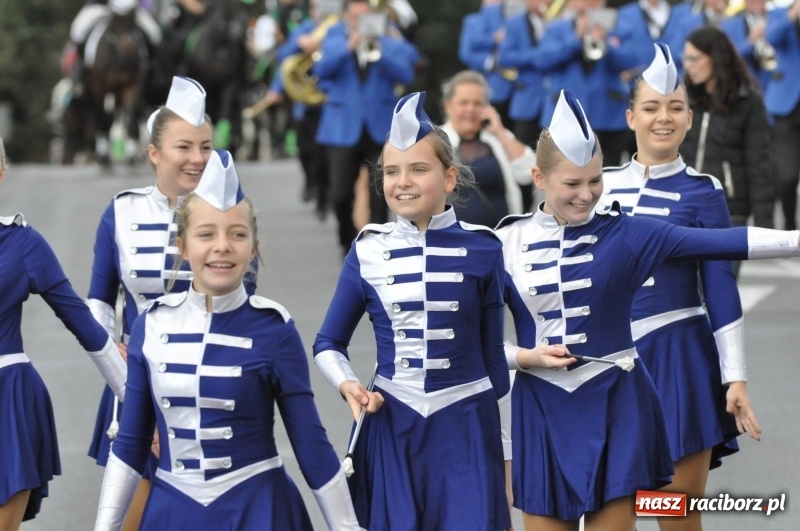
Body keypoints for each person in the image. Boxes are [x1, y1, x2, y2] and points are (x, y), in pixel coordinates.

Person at [495, 87, 800, 530]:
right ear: (539, 178)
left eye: (595, 181)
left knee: (672, 512)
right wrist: (523, 357)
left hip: (617, 401)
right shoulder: (504, 241)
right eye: (572, 184)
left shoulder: (629, 233)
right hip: (541, 410)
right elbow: (472, 339)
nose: (587, 195)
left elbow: (728, 242)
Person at [94, 149, 359, 530]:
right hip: (173, 512)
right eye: (206, 234)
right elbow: (131, 442)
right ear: (183, 247)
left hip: (258, 510)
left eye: (237, 234)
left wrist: (347, 527)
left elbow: (311, 444)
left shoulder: (275, 328)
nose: (222, 246)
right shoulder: (150, 326)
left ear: (253, 247)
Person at [313, 92, 514, 530]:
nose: (403, 182)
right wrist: (348, 385)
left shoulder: (485, 247)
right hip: (393, 420)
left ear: (449, 177)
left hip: (467, 423)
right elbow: (328, 343)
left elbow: (494, 363)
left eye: (419, 169)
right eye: (391, 171)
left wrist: (503, 446)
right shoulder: (366, 250)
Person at [603, 42, 763, 530]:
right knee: (612, 508)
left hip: (678, 358)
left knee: (671, 503)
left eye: (675, 108)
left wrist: (734, 376)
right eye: (651, 107)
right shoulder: (599, 187)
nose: (663, 118)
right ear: (631, 116)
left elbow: (720, 288)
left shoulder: (705, 191)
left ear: (690, 119)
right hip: (607, 361)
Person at [85, 76, 254, 530]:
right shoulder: (122, 211)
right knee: (133, 519)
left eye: (205, 146)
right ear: (154, 153)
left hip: (210, 382)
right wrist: (119, 364)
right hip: (133, 380)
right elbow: (99, 302)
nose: (197, 158)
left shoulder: (230, 210)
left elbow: (243, 308)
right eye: (184, 146)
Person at [0, 137, 126, 528]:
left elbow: (85, 326)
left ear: (1, 172)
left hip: (7, 404)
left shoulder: (22, 243)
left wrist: (141, 407)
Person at [314, 0, 419, 257]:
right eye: (354, 19)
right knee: (339, 195)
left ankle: (378, 247)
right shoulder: (333, 36)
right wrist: (349, 46)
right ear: (347, 19)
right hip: (342, 127)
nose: (359, 24)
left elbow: (406, 74)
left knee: (382, 193)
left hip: (380, 126)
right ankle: (347, 242)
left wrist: (382, 50)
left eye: (364, 19)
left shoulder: (390, 38)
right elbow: (320, 71)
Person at [680, 26, 774, 278]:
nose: (688, 65)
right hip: (684, 207)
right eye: (685, 59)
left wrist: (765, 224)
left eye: (694, 58)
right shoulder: (683, 98)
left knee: (720, 290)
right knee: (687, 294)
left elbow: (759, 162)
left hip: (729, 210)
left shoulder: (748, 101)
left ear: (716, 58)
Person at [533, 0, 641, 166]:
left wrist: (605, 43)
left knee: (608, 174)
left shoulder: (621, 28)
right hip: (565, 115)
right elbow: (541, 61)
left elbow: (632, 59)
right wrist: (575, 38)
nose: (589, 4)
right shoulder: (556, 28)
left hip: (608, 117)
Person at [441, 70, 535, 227]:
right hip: (451, 240)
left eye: (477, 103)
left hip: (500, 236)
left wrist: (500, 132)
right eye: (463, 103)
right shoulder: (436, 141)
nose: (470, 109)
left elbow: (529, 173)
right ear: (448, 106)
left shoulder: (497, 138)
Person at [497, 0, 551, 212]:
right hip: (527, 101)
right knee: (522, 159)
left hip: (554, 101)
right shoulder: (514, 23)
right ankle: (524, 210)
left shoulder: (561, 21)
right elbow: (506, 57)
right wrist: (538, 57)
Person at [68, 0, 162, 97]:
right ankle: (79, 71)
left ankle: (153, 75)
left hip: (131, 10)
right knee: (78, 30)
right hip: (102, 7)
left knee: (154, 34)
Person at [764, 0, 800, 230]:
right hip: (786, 106)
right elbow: (772, 38)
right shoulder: (779, 14)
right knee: (787, 176)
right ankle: (788, 225)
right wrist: (794, 12)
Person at [458, 0, 515, 128]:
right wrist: (491, 60)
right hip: (484, 86)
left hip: (512, 89)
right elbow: (465, 53)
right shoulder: (472, 21)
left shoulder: (511, 20)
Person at [720, 0, 774, 95]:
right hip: (750, 85)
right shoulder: (730, 25)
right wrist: (750, 41)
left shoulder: (779, 18)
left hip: (780, 83)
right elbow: (728, 57)